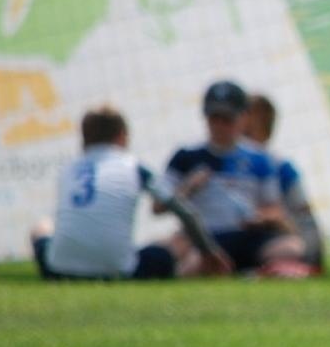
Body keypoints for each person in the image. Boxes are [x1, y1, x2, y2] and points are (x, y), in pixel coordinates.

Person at [31, 105, 230, 281]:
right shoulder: (134, 168)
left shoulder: (68, 169)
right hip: (119, 272)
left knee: (42, 227)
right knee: (176, 244)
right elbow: (186, 213)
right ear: (122, 136)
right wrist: (209, 252)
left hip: (57, 271)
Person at [163, 81, 308, 274]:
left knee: (291, 247)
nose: (220, 126)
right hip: (206, 237)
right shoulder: (186, 156)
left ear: (242, 118)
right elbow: (158, 206)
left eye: (227, 119)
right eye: (214, 118)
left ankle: (250, 271)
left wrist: (259, 218)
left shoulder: (260, 159)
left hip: (246, 236)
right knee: (190, 263)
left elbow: (275, 208)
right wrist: (188, 188)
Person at [239, 92, 324, 271]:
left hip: (278, 241)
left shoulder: (282, 169)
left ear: (266, 132)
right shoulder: (222, 166)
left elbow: (304, 222)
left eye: (248, 132)